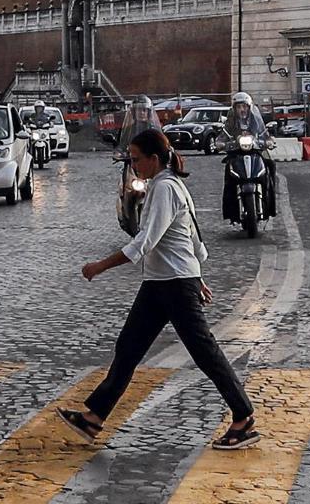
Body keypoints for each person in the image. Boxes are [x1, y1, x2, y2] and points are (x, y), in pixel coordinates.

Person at [63, 124, 258, 454]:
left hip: (173, 285)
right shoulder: (167, 185)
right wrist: (195, 275)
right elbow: (192, 240)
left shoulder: (165, 188)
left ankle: (243, 417)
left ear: (154, 159)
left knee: (205, 352)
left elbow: (145, 241)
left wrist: (99, 266)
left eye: (136, 159)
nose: (133, 165)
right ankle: (94, 417)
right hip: (161, 283)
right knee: (128, 348)